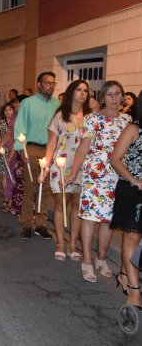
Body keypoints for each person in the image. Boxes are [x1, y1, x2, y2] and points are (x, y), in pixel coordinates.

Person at [67, 80, 131, 282]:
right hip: (95, 174)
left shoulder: (127, 120)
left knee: (109, 221)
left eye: (118, 94)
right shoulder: (91, 119)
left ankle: (101, 258)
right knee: (90, 218)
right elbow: (83, 148)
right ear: (103, 97)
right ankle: (87, 260)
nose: (114, 98)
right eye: (110, 94)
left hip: (118, 176)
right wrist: (73, 172)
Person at [41, 80, 91, 261]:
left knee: (77, 206)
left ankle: (72, 243)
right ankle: (61, 242)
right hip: (61, 166)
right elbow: (52, 143)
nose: (82, 93)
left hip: (83, 167)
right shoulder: (60, 115)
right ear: (71, 92)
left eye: (85, 90)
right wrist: (45, 166)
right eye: (79, 90)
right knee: (61, 204)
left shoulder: (90, 117)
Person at [14, 71, 60, 240]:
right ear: (39, 84)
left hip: (50, 150)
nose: (51, 86)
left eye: (53, 83)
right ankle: (26, 223)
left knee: (45, 188)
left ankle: (41, 224)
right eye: (47, 83)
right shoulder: (28, 103)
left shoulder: (57, 104)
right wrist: (21, 150)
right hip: (32, 148)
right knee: (30, 187)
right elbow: (19, 126)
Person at [110, 90, 142, 305]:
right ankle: (134, 289)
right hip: (132, 190)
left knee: (138, 239)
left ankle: (123, 274)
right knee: (132, 237)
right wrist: (134, 180)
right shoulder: (133, 128)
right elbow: (115, 158)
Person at [0, 103, 16, 211]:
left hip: (14, 150)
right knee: (5, 176)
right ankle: (7, 197)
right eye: (6, 110)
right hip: (2, 151)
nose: (8, 112)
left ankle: (11, 200)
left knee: (12, 176)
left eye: (10, 109)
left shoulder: (17, 122)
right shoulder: (1, 122)